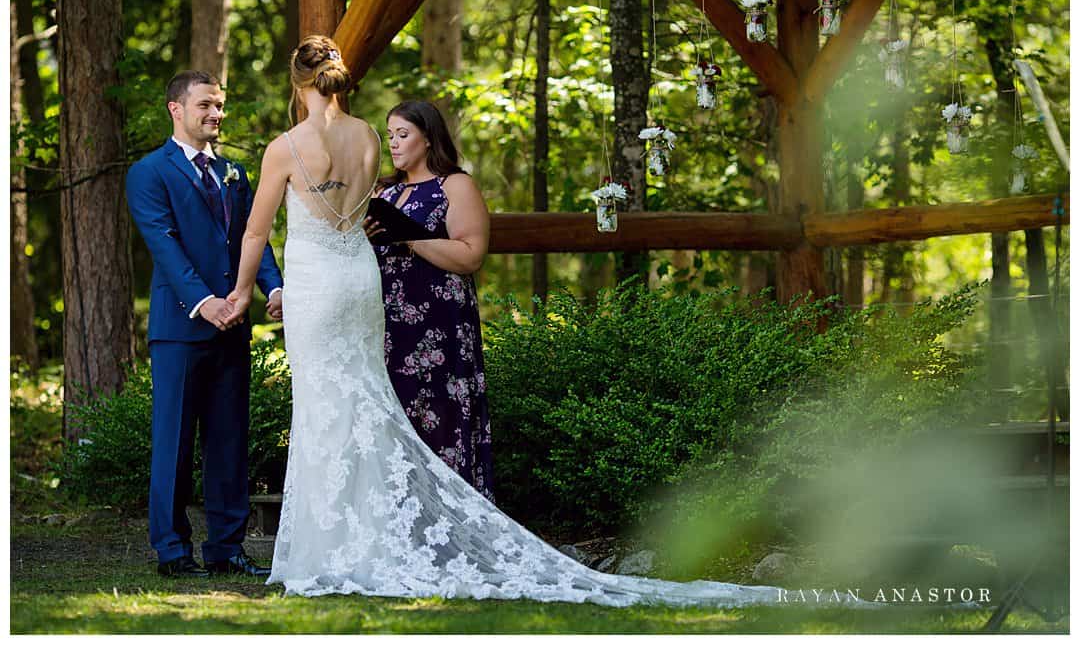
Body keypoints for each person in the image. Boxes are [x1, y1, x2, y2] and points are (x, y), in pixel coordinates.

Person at [223, 35, 782, 605]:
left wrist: (244, 291)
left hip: (319, 281)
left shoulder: (285, 146)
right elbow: (363, 212)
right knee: (368, 400)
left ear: (297, 83)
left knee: (325, 408)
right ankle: (368, 540)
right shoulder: (367, 136)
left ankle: (330, 548)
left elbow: (255, 230)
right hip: (359, 280)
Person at [126, 70, 284, 578]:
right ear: (176, 108)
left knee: (229, 438)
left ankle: (227, 548)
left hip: (233, 327)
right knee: (173, 441)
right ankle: (172, 551)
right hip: (180, 327)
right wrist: (206, 302)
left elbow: (250, 240)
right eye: (205, 105)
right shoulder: (149, 172)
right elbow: (164, 245)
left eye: (219, 105)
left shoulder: (234, 173)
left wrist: (274, 287)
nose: (215, 113)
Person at [362, 101, 494, 501]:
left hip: (440, 326)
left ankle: (451, 519)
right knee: (395, 419)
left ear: (428, 137)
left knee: (441, 417)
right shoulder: (388, 191)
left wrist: (410, 239)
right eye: (391, 135)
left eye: (403, 134)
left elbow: (471, 254)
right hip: (390, 326)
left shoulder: (454, 184)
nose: (395, 144)